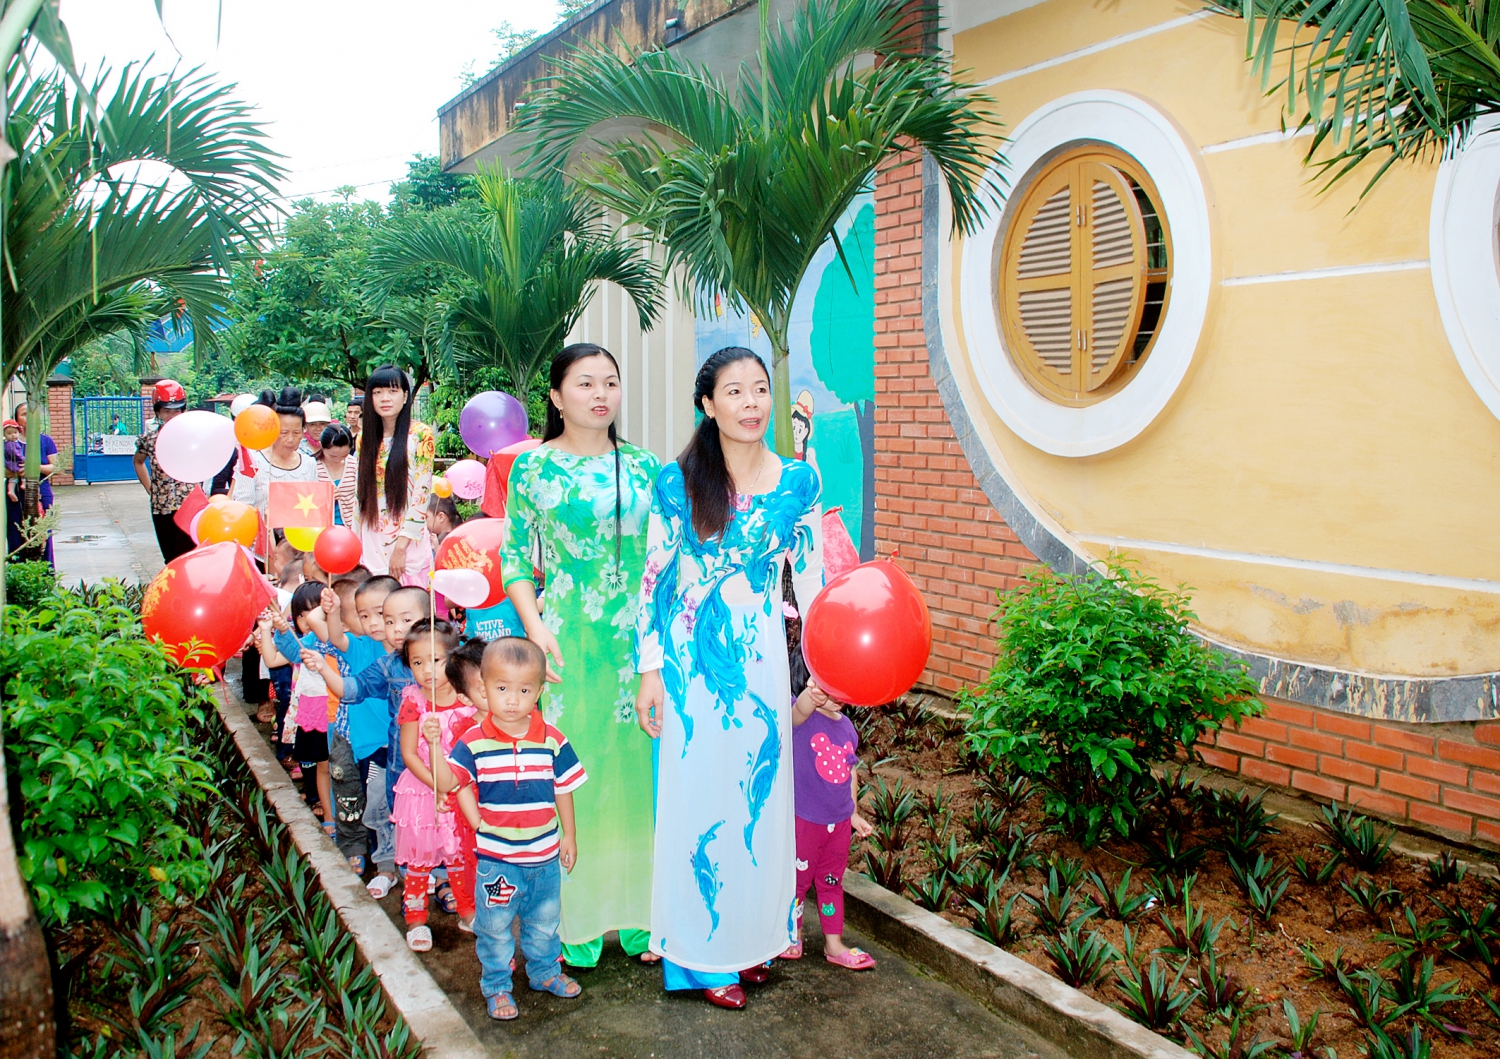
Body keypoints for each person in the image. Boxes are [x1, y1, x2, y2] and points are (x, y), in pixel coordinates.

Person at [633, 346, 824, 1009]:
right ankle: (700, 958)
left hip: (763, 663)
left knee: (757, 803)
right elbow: (654, 582)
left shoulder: (798, 481)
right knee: (701, 803)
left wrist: (823, 662)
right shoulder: (678, 482)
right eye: (734, 391)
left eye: (760, 389)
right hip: (692, 666)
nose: (751, 402)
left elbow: (813, 579)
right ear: (708, 404)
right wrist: (649, 670)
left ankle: (750, 943)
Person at [503, 343, 662, 970]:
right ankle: (578, 920)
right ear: (556, 396)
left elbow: (667, 556)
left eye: (611, 383)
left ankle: (645, 915)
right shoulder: (533, 468)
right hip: (569, 641)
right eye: (586, 382)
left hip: (641, 645)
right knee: (576, 771)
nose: (601, 394)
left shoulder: (646, 467)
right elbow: (516, 557)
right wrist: (535, 628)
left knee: (641, 771)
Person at [441, 637, 586, 1021]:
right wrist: (433, 743)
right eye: (502, 688)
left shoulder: (552, 738)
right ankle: (497, 986)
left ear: (538, 692)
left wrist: (570, 835)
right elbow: (452, 782)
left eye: (524, 690)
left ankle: (545, 972)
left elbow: (563, 788)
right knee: (494, 928)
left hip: (544, 856)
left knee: (544, 922)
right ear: (485, 687)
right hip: (497, 860)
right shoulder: (473, 741)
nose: (511, 700)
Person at [311, 584, 428, 900]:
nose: (395, 629)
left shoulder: (447, 656)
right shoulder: (388, 665)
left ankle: (444, 877)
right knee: (389, 810)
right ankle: (393, 870)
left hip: (439, 760)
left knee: (439, 816)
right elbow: (354, 689)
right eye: (389, 621)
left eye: (405, 620)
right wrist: (323, 669)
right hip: (397, 760)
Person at [385, 619, 476, 951]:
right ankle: (415, 918)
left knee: (459, 855)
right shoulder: (414, 701)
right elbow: (409, 754)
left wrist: (454, 787)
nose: (426, 671)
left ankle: (468, 910)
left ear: (454, 658)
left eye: (435, 660)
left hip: (459, 792)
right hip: (422, 791)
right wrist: (438, 786)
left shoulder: (468, 699)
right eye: (417, 662)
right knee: (419, 860)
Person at [783, 668, 876, 969]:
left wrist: (853, 813)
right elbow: (798, 711)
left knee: (831, 883)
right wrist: (812, 694)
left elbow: (851, 772)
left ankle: (833, 944)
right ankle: (792, 934)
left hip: (838, 825)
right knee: (797, 882)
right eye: (829, 686)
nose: (836, 695)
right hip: (806, 821)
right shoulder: (803, 717)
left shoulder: (847, 727)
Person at [353, 366, 434, 584]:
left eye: (392, 391)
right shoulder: (364, 439)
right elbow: (360, 494)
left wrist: (401, 547)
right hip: (372, 536)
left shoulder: (420, 435)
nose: (385, 398)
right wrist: (354, 540)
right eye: (377, 392)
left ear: (405, 396)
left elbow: (422, 494)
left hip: (407, 539)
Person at [234, 387, 319, 544]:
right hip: (261, 546)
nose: (290, 439)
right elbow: (242, 509)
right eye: (283, 432)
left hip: (299, 547)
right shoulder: (253, 462)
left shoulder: (309, 464)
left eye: (296, 433)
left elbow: (313, 510)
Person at [133, 379, 196, 562]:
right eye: (167, 411)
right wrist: (150, 489)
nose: (171, 415)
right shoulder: (151, 439)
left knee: (189, 557)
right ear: (158, 411)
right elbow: (138, 461)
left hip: (189, 506)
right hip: (161, 508)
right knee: (170, 559)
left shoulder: (194, 437)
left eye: (176, 410)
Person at [317, 424, 357, 528]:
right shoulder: (312, 467)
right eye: (332, 456)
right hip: (321, 528)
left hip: (350, 527)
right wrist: (323, 497)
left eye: (344, 455)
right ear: (321, 446)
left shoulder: (354, 465)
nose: (338, 459)